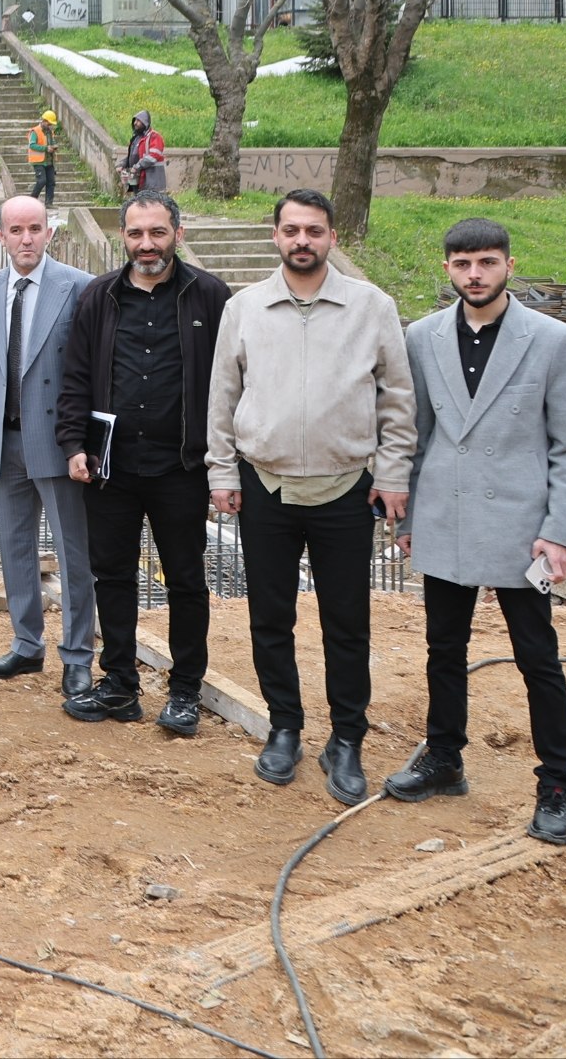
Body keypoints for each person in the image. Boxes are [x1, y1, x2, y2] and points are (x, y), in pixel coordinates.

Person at [384, 219, 566, 847]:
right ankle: (444, 756)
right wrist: (411, 520)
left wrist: (560, 533)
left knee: (538, 657)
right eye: (463, 263)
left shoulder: (553, 340)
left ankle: (557, 782)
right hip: (445, 519)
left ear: (509, 266)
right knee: (443, 650)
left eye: (487, 262)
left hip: (520, 527)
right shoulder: (421, 338)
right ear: (447, 269)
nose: (475, 274)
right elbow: (416, 434)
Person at [206, 187, 415, 803]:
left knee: (346, 621)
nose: (303, 241)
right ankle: (285, 727)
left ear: (331, 237)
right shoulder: (245, 308)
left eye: (315, 231)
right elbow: (222, 396)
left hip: (346, 489)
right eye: (292, 230)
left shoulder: (371, 307)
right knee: (271, 617)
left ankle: (346, 738)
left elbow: (398, 402)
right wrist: (222, 472)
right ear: (276, 236)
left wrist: (393, 472)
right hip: (263, 488)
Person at [56, 191, 230, 733]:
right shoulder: (99, 297)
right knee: (112, 575)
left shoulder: (210, 297)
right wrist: (72, 444)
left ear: (177, 233)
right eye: (136, 234)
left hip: (182, 467)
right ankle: (121, 685)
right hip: (113, 467)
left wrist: (223, 459)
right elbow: (75, 377)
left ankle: (184, 691)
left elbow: (231, 383)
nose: (146, 244)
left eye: (157, 232)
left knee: (184, 579)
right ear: (122, 237)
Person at [0, 194, 93, 693]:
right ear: (0, 237)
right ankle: (27, 645)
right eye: (16, 230)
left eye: (35, 229)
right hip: (5, 440)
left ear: (50, 233)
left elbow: (90, 372)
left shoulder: (79, 288)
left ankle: (78, 654)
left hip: (58, 442)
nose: (26, 239)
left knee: (73, 553)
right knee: (15, 549)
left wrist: (81, 443)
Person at [122, 111, 167, 195]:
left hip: (152, 180)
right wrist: (122, 165)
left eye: (138, 121)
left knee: (151, 204)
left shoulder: (154, 136)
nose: (135, 123)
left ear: (145, 122)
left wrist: (136, 167)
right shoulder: (136, 139)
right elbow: (131, 156)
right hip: (139, 180)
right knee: (139, 204)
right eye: (134, 121)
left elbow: (153, 156)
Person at [25, 110, 60, 208]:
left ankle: (49, 203)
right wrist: (45, 148)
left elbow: (52, 141)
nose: (50, 126)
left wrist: (54, 146)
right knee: (41, 181)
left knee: (51, 182)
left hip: (49, 160)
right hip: (38, 161)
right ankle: (31, 201)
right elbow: (32, 145)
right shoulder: (35, 131)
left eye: (51, 124)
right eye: (49, 124)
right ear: (44, 121)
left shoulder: (50, 132)